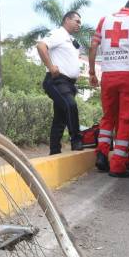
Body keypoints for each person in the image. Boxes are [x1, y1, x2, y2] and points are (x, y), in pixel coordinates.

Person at [89, 0, 129, 177]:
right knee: (125, 119)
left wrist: (92, 72)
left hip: (108, 75)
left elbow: (93, 46)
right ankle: (117, 165)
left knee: (108, 117)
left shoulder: (104, 19)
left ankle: (101, 153)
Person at [36, 11, 84, 155]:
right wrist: (50, 67)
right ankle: (76, 141)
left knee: (60, 117)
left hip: (68, 84)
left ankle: (54, 150)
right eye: (77, 21)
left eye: (80, 22)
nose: (79, 25)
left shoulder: (70, 39)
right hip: (57, 80)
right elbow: (41, 46)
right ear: (67, 20)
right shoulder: (59, 33)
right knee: (70, 105)